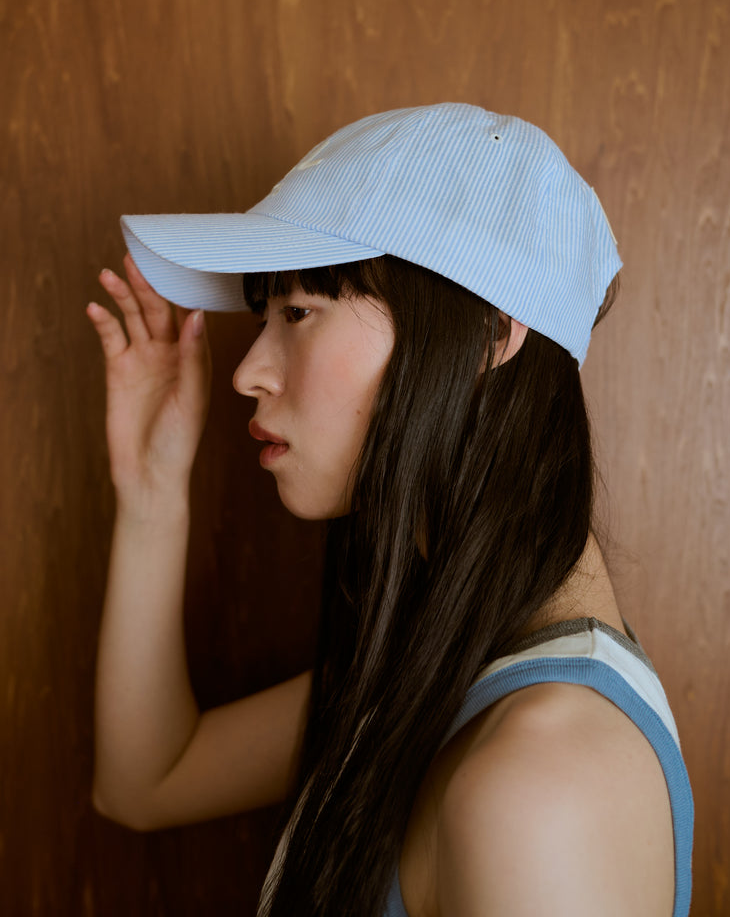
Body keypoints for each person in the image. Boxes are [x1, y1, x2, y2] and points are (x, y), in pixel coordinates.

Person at [87, 102, 693, 917]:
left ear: (486, 334)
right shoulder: (436, 663)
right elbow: (145, 781)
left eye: (298, 313)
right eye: (266, 316)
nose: (247, 372)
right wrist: (153, 491)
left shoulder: (540, 782)